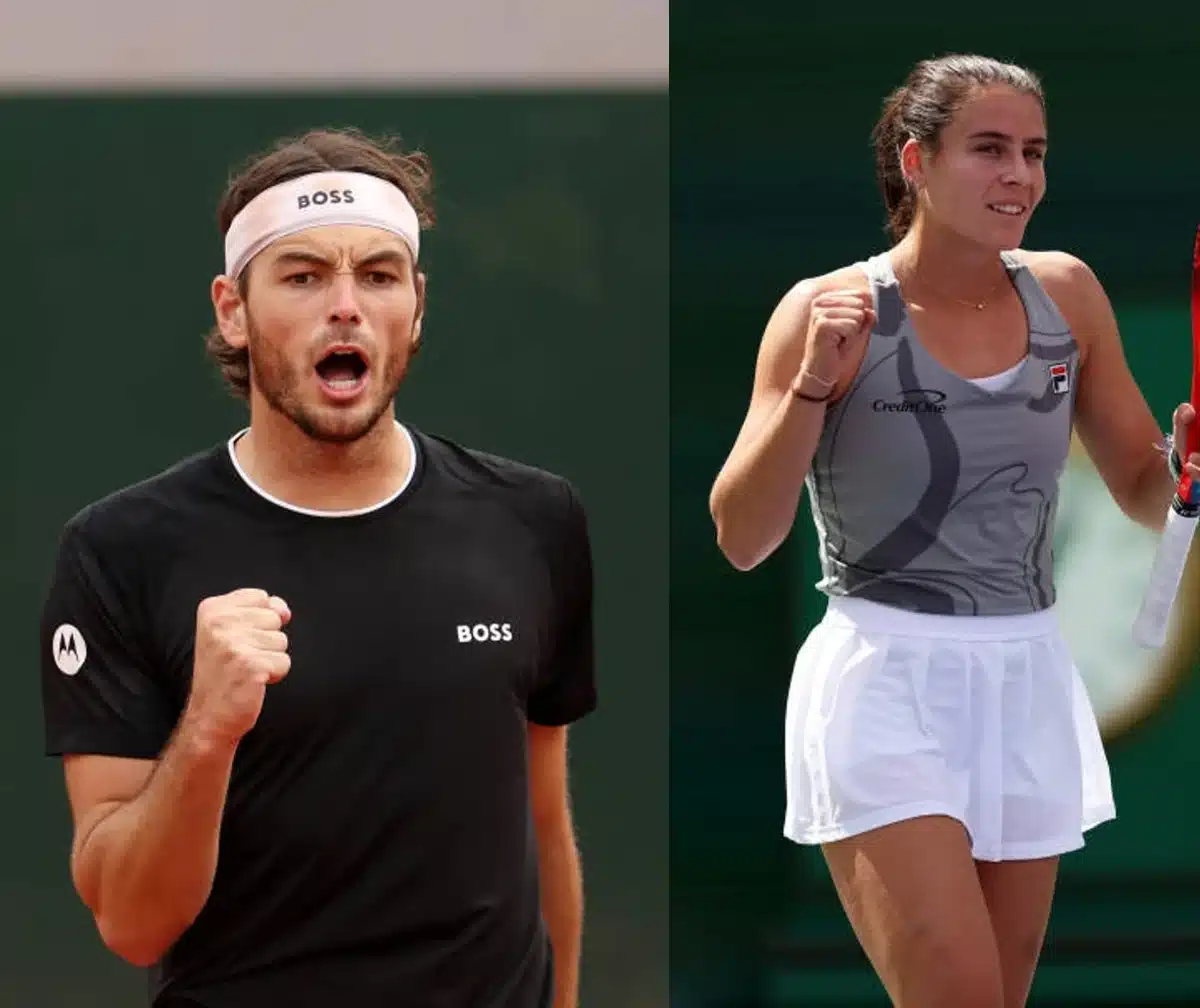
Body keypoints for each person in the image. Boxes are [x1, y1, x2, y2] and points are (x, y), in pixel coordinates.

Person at [39, 127, 596, 1008]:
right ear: (233, 308)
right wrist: (209, 730)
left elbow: (542, 824)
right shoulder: (119, 550)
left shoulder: (537, 519)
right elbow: (131, 922)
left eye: (377, 275)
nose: (346, 306)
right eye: (302, 276)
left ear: (416, 304)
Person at [709, 54, 1199, 1008]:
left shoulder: (1069, 295)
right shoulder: (826, 310)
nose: (1018, 174)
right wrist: (814, 382)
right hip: (883, 683)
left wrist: (1185, 476)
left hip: (1027, 683)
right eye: (988, 149)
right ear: (917, 162)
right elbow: (741, 535)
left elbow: (1144, 488)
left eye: (1033, 152)